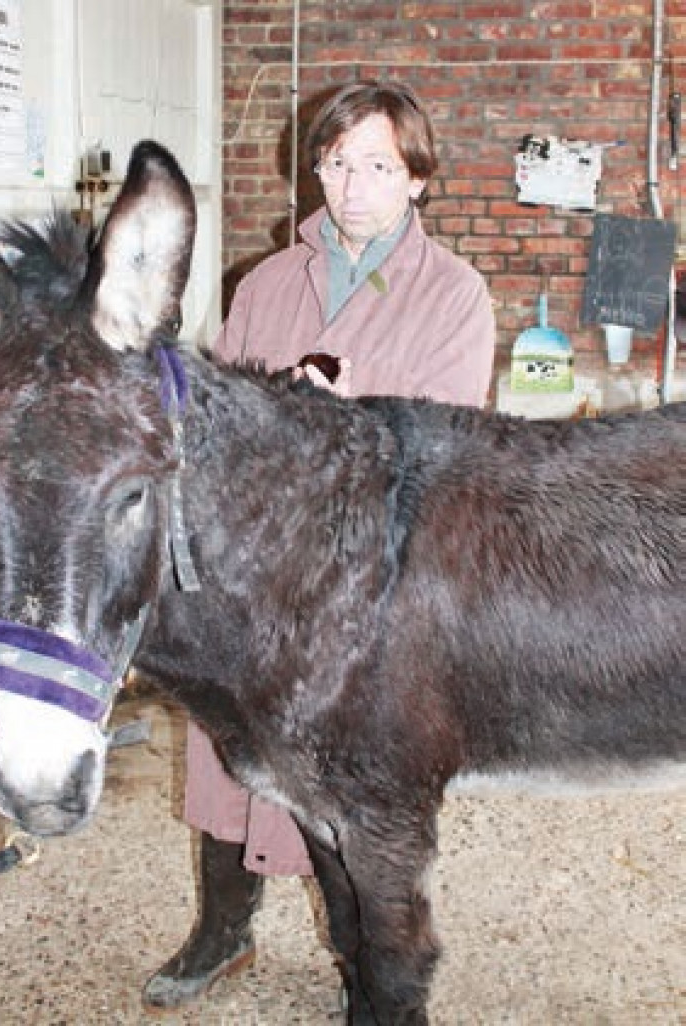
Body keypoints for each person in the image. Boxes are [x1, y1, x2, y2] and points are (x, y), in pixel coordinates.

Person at [142, 79, 495, 1011]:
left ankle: (360, 958)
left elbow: (452, 451)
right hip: (254, 572)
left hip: (366, 586)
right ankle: (222, 930)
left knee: (349, 789)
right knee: (225, 756)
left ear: (416, 179)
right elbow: (209, 424)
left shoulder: (454, 295)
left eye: (378, 165)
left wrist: (334, 418)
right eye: (335, 162)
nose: (352, 185)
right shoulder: (263, 282)